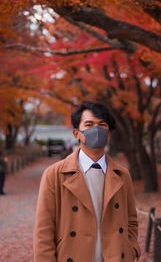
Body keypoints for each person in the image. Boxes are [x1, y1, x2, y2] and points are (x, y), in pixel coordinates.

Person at [34, 101, 141, 262]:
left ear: (109, 133)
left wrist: (131, 250)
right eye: (89, 124)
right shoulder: (54, 175)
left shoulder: (122, 175)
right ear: (76, 134)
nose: (96, 130)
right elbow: (44, 230)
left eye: (102, 125)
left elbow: (131, 221)